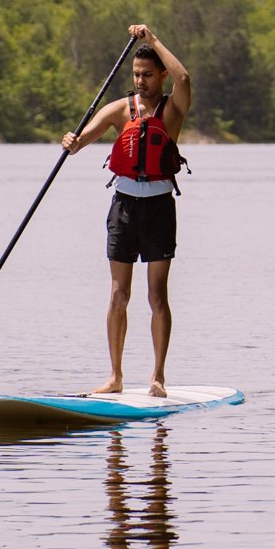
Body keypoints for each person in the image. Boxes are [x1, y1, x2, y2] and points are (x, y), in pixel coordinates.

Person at [61, 24, 192, 396]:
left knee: (157, 296)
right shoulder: (120, 109)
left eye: (148, 75)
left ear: (160, 76)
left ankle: (157, 378)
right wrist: (72, 142)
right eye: (136, 74)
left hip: (159, 209)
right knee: (119, 294)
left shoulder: (174, 108)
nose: (140, 81)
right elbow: (83, 140)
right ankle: (116, 376)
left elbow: (184, 76)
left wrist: (152, 40)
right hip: (124, 209)